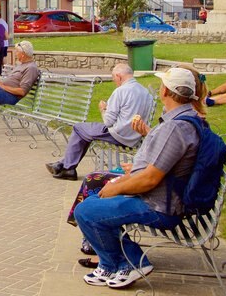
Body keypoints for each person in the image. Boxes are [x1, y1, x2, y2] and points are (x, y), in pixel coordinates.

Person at [74, 67, 204, 289]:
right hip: (161, 199)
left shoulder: (176, 127)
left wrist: (117, 188)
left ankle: (132, 262)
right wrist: (127, 177)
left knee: (86, 210)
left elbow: (150, 180)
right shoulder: (184, 120)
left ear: (165, 91)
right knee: (94, 201)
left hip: (159, 206)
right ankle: (110, 263)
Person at [45, 63, 153, 180]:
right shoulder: (145, 92)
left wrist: (103, 109)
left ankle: (67, 167)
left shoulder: (121, 91)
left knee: (79, 128)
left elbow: (108, 122)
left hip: (117, 134)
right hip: (135, 136)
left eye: (113, 78)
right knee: (85, 132)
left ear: (119, 76)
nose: (114, 81)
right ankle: (64, 165)